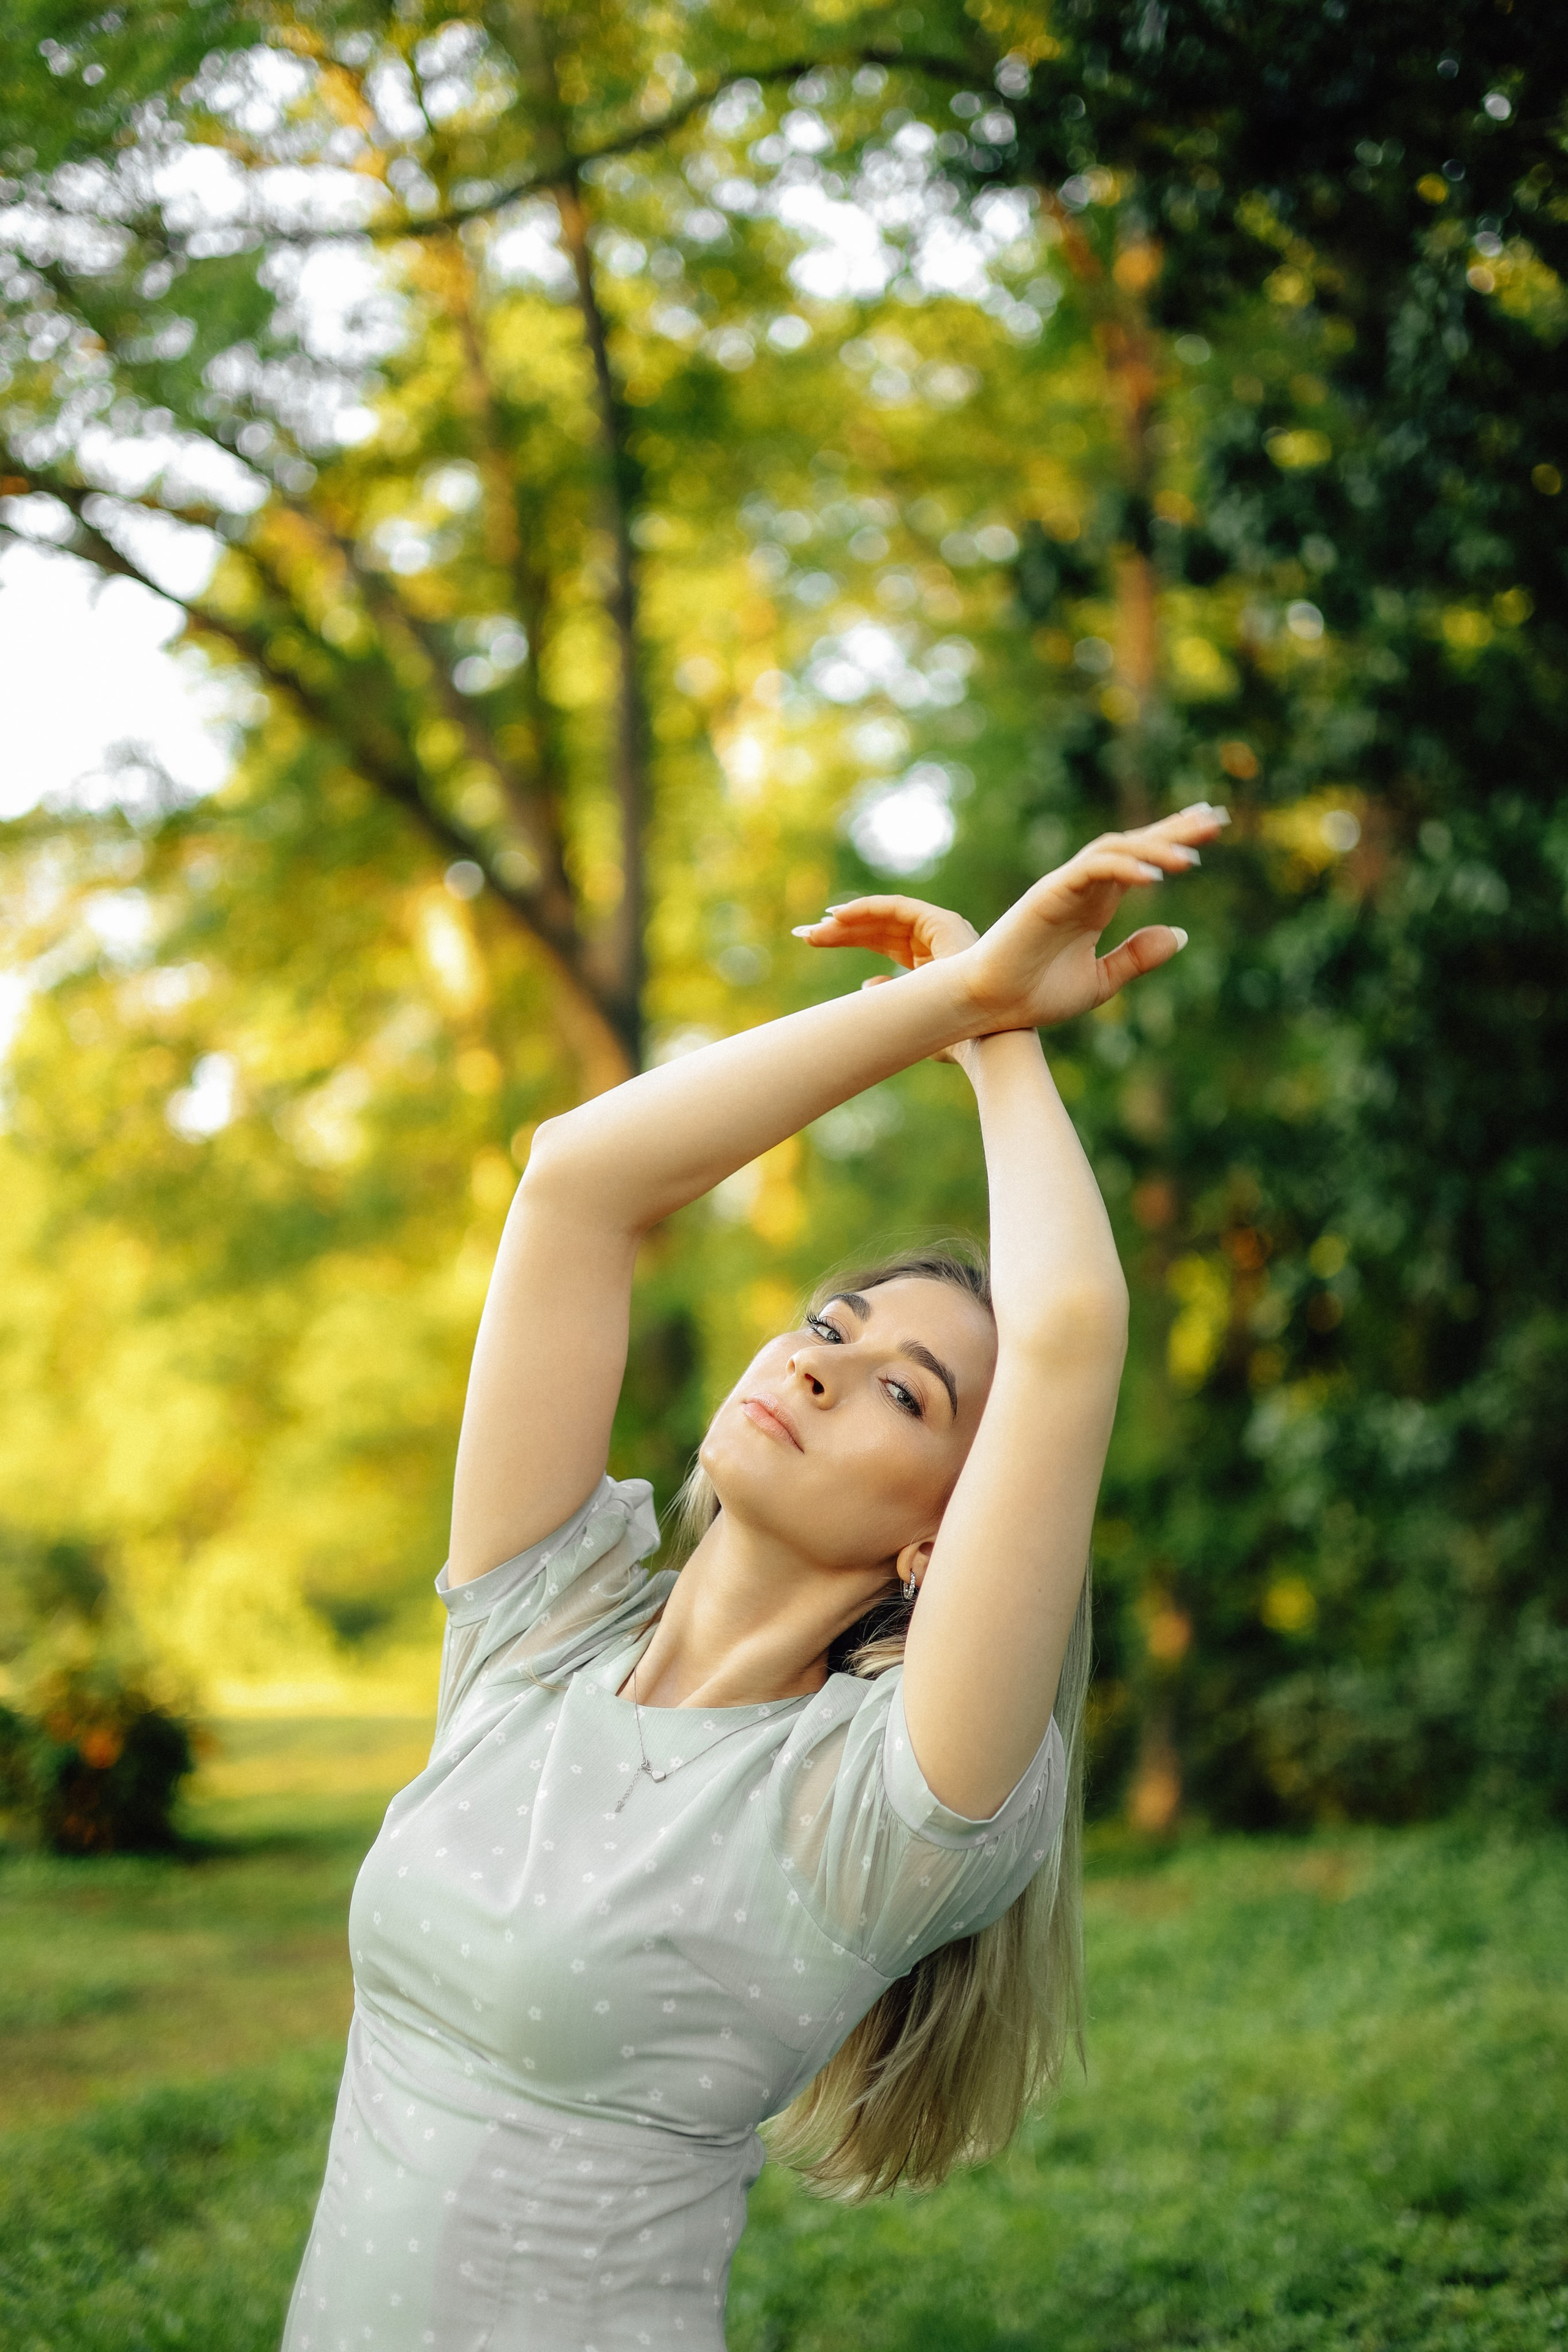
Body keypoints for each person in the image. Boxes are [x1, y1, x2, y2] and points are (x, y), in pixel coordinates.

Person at [282, 802, 1226, 2352]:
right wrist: (954, 992)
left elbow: (1065, 1343)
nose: (821, 1362)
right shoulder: (543, 1630)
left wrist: (1004, 1048)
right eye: (831, 1325)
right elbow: (577, 1179)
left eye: (906, 1394)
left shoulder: (873, 1806)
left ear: (943, 1535)